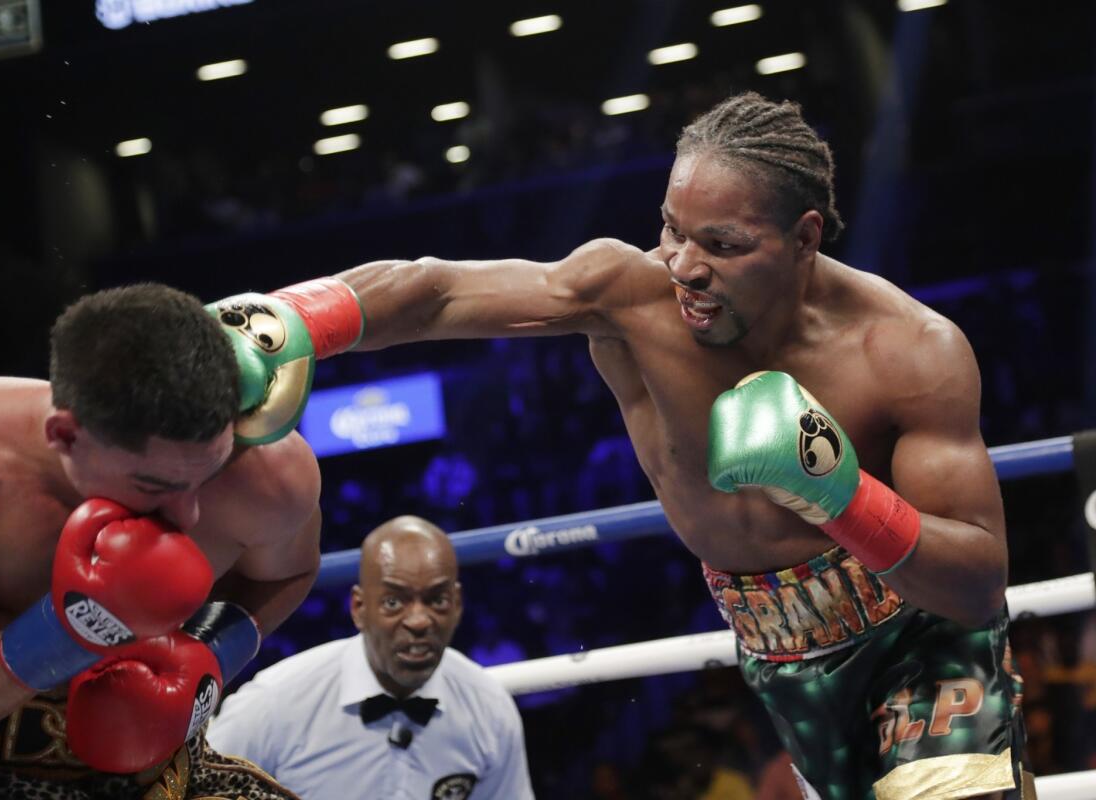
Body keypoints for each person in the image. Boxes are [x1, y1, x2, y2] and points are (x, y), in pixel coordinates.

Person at [235, 92, 1031, 798]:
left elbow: (976, 585)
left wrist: (840, 491)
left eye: (720, 245)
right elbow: (438, 291)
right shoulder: (628, 297)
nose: (683, 265)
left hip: (920, 636)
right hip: (781, 657)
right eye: (671, 230)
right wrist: (293, 320)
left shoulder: (908, 352)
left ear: (804, 238)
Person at [0, 283, 323, 799]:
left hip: (164, 771)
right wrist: (69, 631)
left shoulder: (266, 477)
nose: (187, 513)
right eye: (156, 486)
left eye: (204, 475)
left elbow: (288, 572)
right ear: (67, 436)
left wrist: (210, 655)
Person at [208, 515, 534, 799]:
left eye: (437, 600)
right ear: (359, 608)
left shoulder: (488, 708)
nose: (419, 621)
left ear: (458, 604)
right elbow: (199, 790)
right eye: (394, 602)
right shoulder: (274, 703)